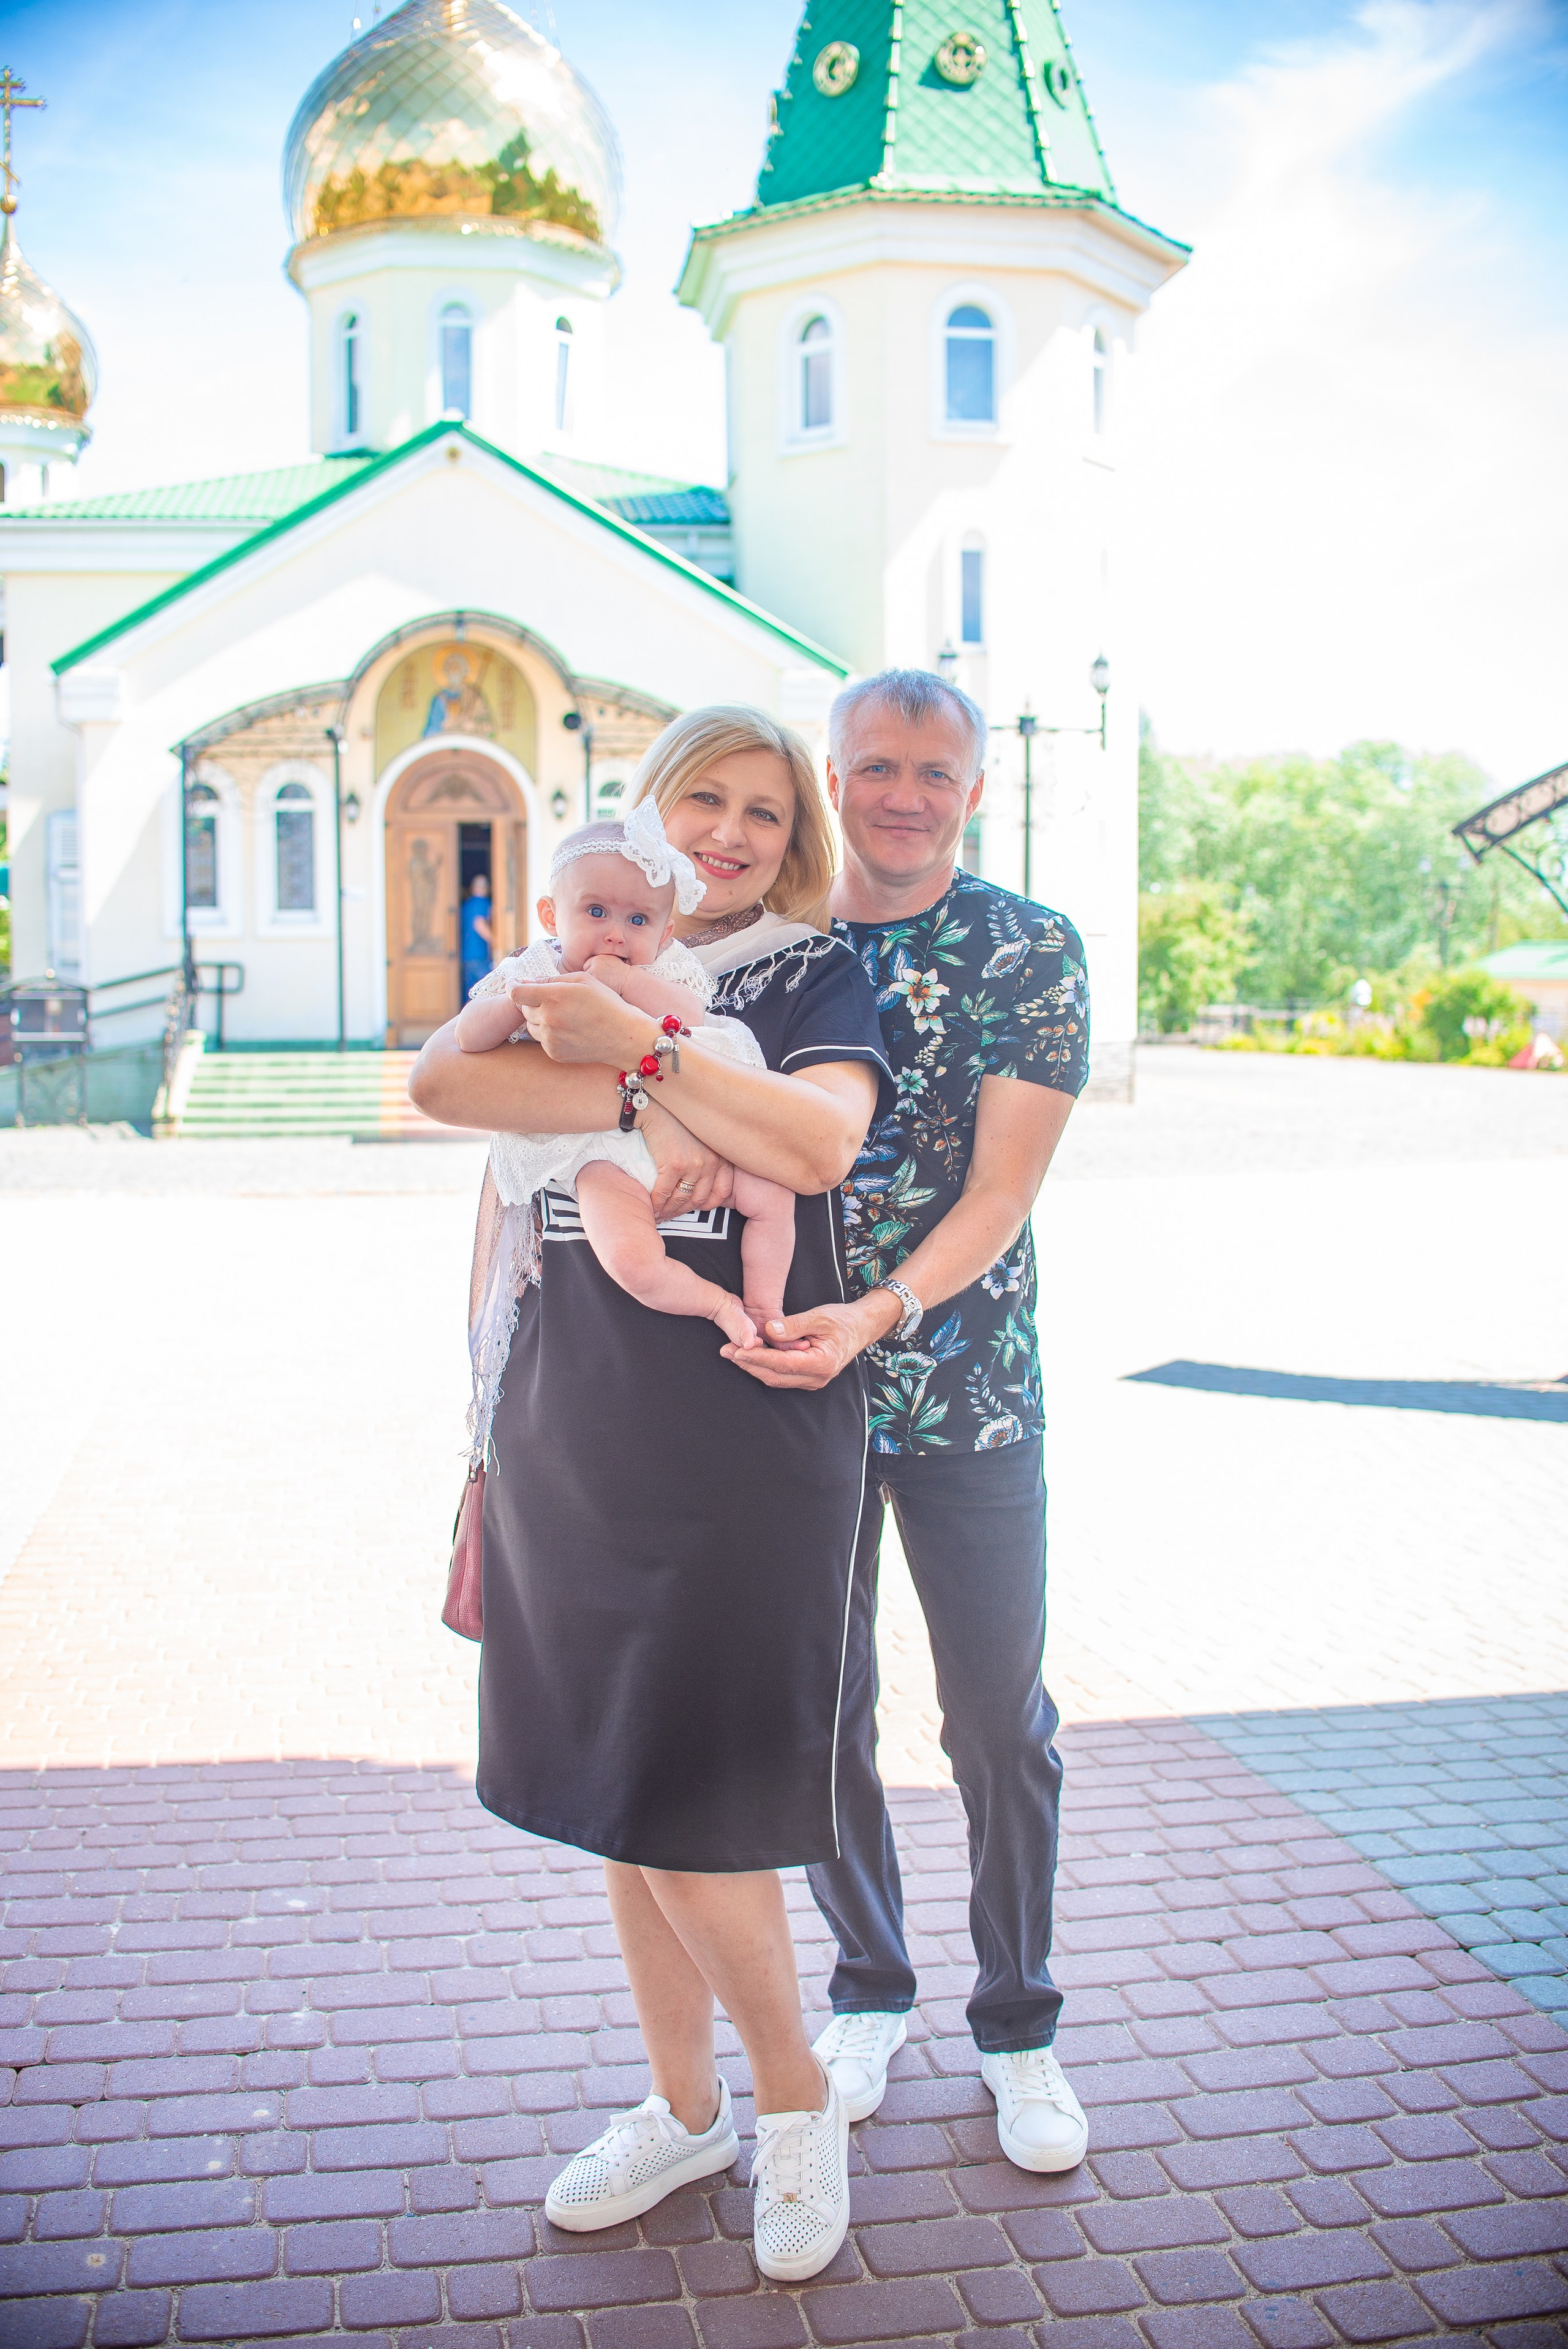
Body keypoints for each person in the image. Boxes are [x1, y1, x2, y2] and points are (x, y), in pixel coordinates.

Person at [409, 706, 895, 2280]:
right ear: (649, 802)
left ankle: (796, 2100)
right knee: (622, 1777)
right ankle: (683, 2105)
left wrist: (642, 1061)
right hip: (573, 1404)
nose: (728, 831)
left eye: (764, 807)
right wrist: (648, 1108)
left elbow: (815, 1144)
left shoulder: (815, 972)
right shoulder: (577, 931)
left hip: (740, 1406)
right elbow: (451, 1087)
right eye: (705, 797)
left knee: (689, 1777)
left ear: (794, 833)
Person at [725, 669, 1092, 2175]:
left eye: (928, 771)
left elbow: (998, 1192)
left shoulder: (1025, 945)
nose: (897, 793)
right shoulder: (767, 947)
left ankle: (1019, 2022)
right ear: (834, 770)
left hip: (966, 1385)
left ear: (972, 785)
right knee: (820, 1710)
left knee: (995, 1716)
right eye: (871, 765)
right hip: (780, 1391)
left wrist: (877, 1313)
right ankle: (867, 1985)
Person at [454, 800, 797, 1347]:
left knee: (773, 1198)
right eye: (595, 912)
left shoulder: (663, 969)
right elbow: (467, 1039)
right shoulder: (535, 969)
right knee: (631, 1261)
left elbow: (693, 1020)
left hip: (692, 1129)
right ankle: (716, 1305)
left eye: (638, 920)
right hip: (598, 1154)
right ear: (551, 917)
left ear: (663, 935)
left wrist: (625, 984)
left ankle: (764, 1306)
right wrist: (516, 1004)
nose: (616, 934)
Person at [460, 870, 492, 1001]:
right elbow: (480, 924)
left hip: (467, 955)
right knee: (484, 993)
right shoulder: (483, 903)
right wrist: (497, 941)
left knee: (470, 994)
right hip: (481, 955)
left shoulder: (466, 905)